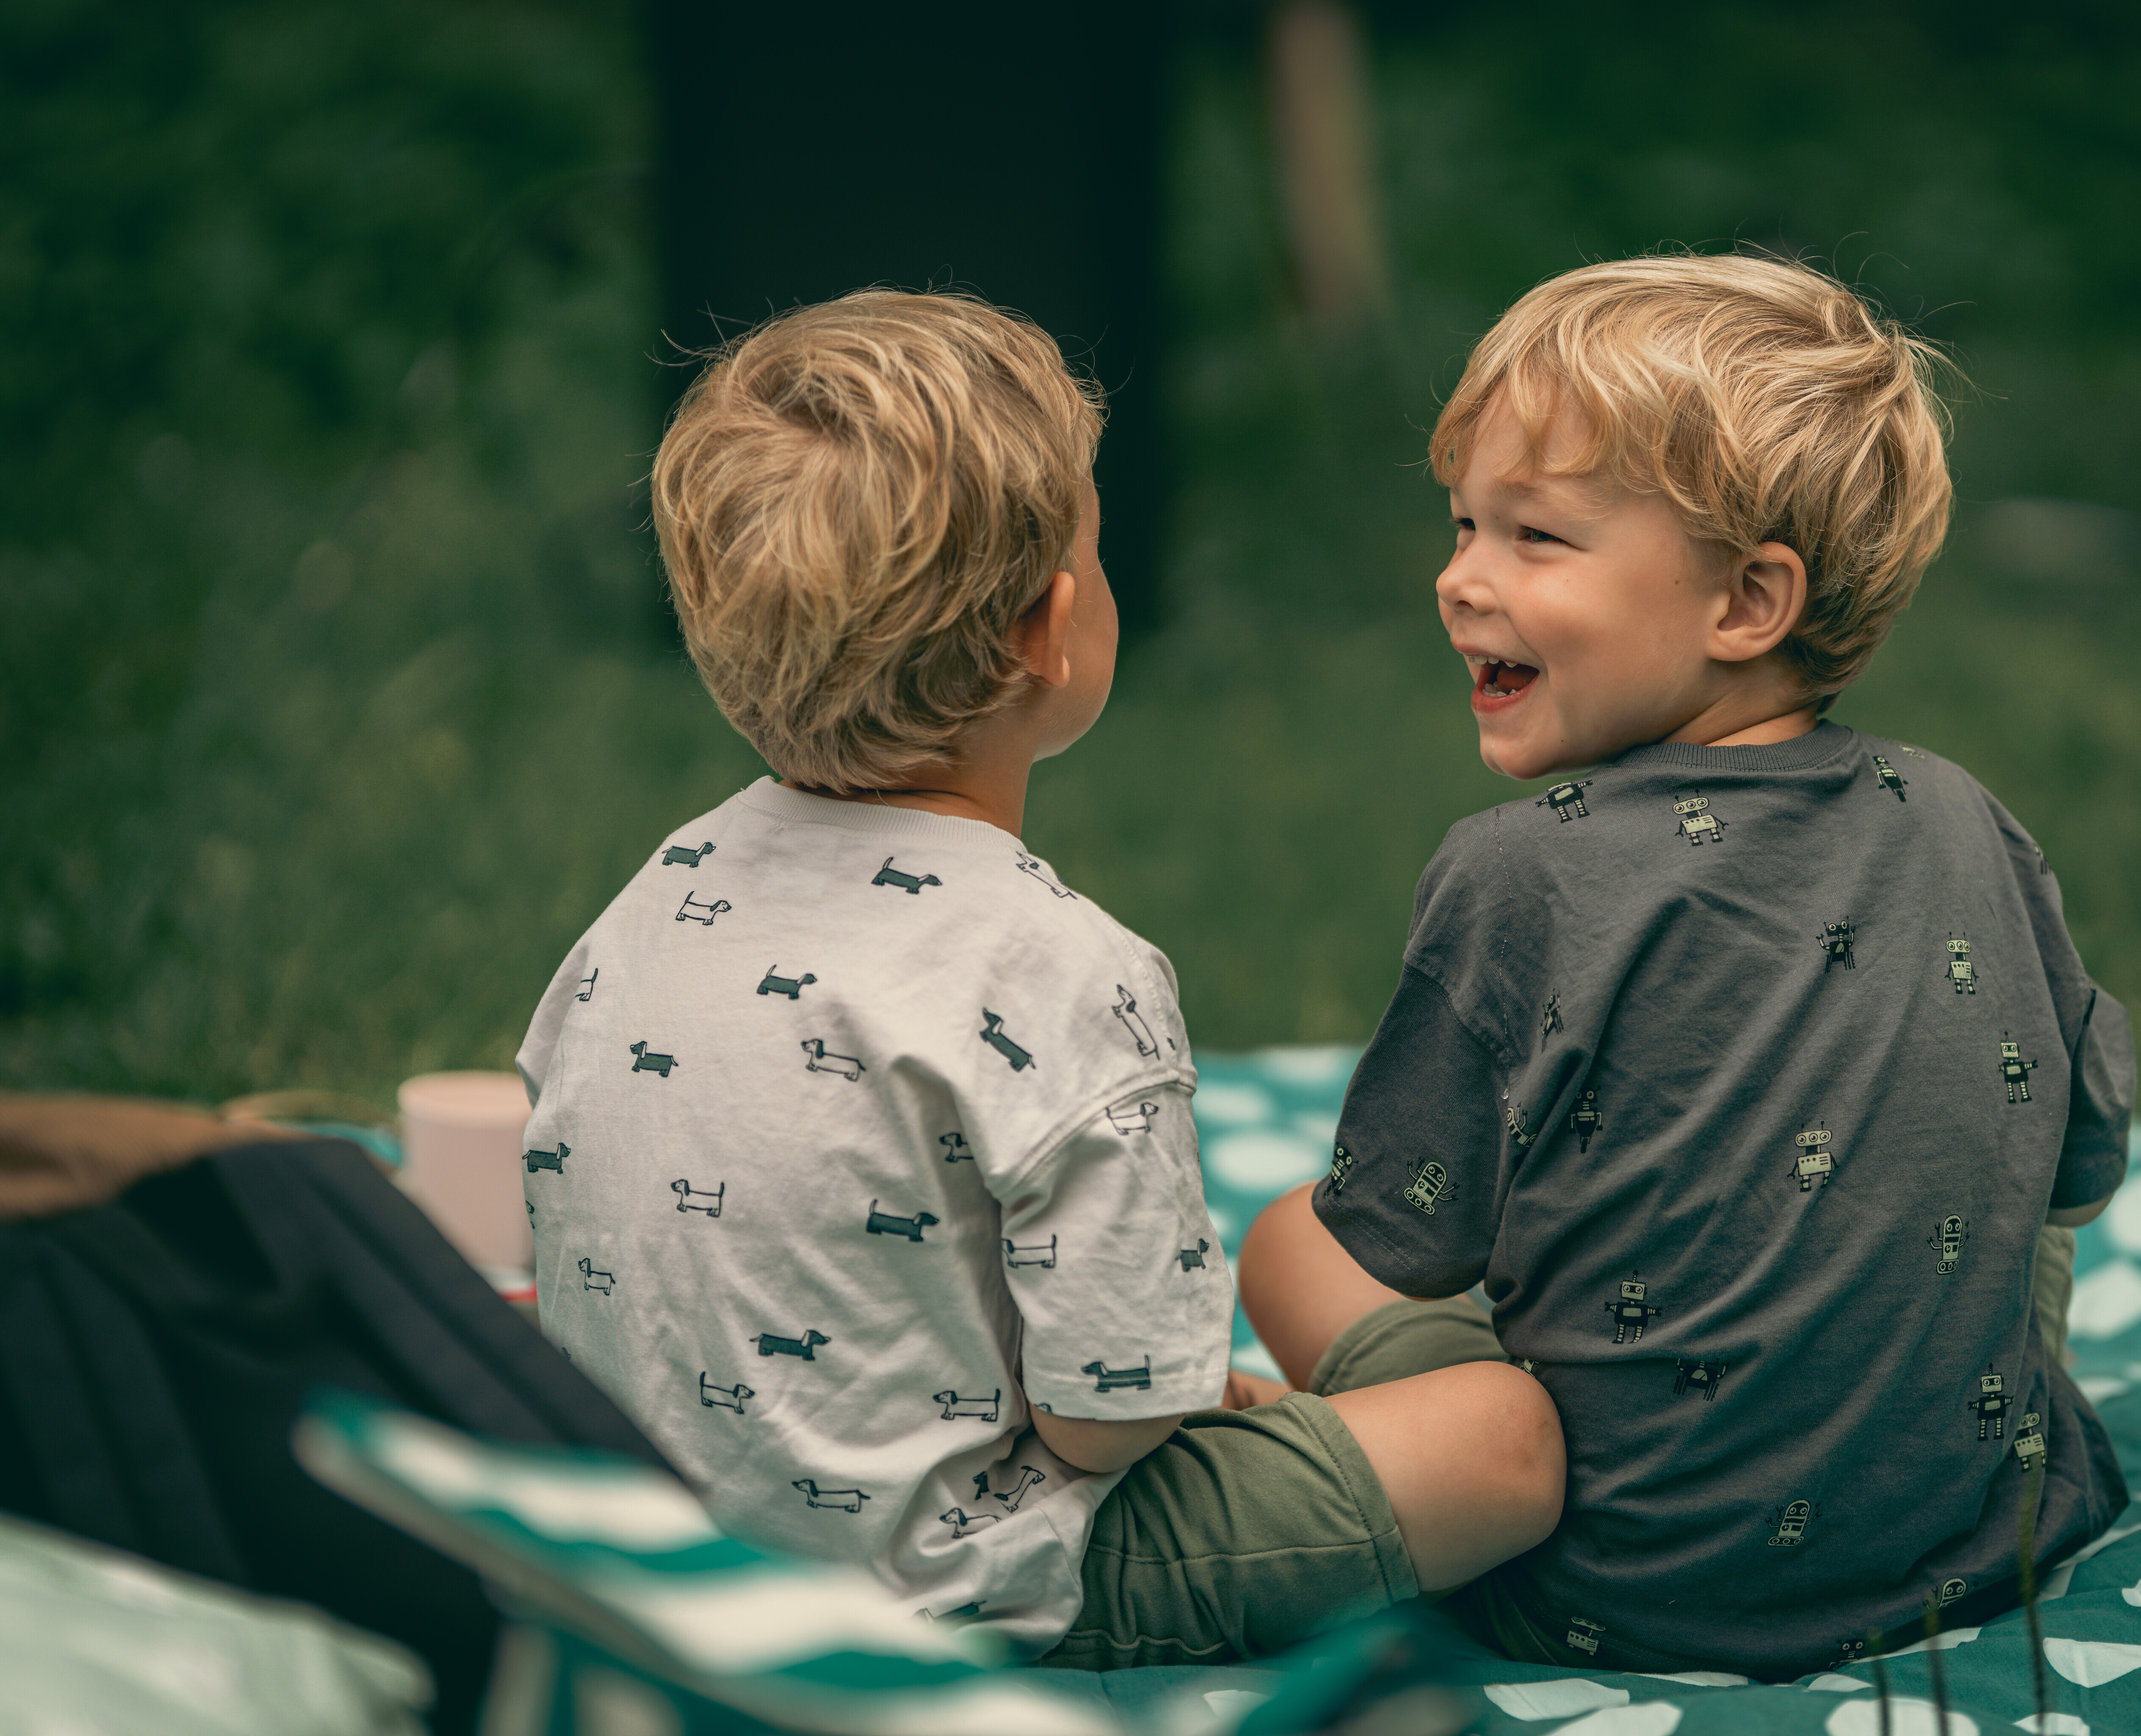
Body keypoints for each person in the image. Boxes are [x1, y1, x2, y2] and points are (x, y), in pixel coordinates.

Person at [514, 290, 1560, 1668]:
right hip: (965, 1579)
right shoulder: (1063, 973)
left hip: (677, 1541)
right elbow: (1107, 1424)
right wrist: (1191, 1404)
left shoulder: (649, 900)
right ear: (1045, 632)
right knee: (1506, 1445)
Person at [1239, 254, 2135, 1680]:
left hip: (1617, 1589)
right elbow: (2079, 1168)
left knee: (1290, 1231)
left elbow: (1402, 1236)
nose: (1458, 578)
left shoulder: (1515, 869)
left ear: (1747, 602)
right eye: (1465, 522)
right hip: (1986, 1543)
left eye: (1536, 537)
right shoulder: (1973, 817)